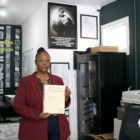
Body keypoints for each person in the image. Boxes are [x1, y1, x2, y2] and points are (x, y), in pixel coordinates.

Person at [13, 47, 71, 140]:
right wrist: (37, 115)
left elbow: (61, 105)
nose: (45, 63)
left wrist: (66, 98)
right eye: (41, 60)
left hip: (57, 124)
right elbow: (18, 106)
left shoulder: (58, 79)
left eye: (47, 61)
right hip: (34, 126)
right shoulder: (25, 81)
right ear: (35, 62)